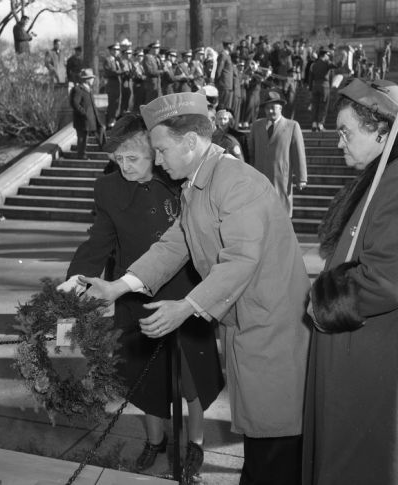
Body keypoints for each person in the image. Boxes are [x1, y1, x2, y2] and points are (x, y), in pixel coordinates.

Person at [78, 92, 311, 485]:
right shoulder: (199, 181)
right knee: (260, 438)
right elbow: (177, 242)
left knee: (276, 442)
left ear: (190, 142)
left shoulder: (235, 183)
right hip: (248, 325)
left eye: (162, 149)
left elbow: (240, 260)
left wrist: (185, 307)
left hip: (272, 332)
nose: (159, 159)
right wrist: (118, 287)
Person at [302, 78, 398, 485]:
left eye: (346, 132)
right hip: (373, 359)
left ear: (382, 131)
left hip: (382, 370)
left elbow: (385, 282)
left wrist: (320, 303)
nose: (339, 142)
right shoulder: (390, 174)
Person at [65, 114, 223, 479]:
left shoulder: (183, 177)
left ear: (155, 152)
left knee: (193, 375)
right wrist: (74, 282)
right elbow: (98, 242)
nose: (123, 167)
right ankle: (155, 440)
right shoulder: (109, 189)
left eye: (131, 158)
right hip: (135, 296)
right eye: (117, 159)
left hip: (187, 294)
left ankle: (195, 445)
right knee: (145, 376)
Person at [248, 89, 307, 217]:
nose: (270, 111)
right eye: (267, 108)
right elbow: (250, 152)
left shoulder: (292, 126)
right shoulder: (256, 126)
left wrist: (301, 178)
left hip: (281, 179)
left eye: (273, 108)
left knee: (281, 215)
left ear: (280, 108)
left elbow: (298, 152)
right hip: (260, 178)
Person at [70, 68, 103, 160]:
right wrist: (84, 113)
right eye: (92, 78)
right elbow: (75, 104)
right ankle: (81, 155)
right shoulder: (78, 89)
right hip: (81, 119)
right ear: (87, 79)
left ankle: (103, 148)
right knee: (82, 138)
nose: (93, 80)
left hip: (91, 118)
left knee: (98, 131)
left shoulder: (88, 89)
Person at [307, 49, 335, 132]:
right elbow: (336, 66)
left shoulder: (313, 65)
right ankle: (320, 124)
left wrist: (310, 89)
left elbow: (310, 78)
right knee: (323, 106)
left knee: (315, 106)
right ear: (324, 55)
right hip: (324, 87)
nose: (328, 57)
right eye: (327, 55)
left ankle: (314, 124)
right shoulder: (327, 63)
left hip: (315, 86)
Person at [103, 43, 123, 128]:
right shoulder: (108, 60)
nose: (116, 52)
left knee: (118, 103)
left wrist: (120, 61)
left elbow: (124, 68)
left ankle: (114, 120)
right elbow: (109, 72)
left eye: (118, 50)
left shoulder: (117, 60)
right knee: (112, 104)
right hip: (112, 85)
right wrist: (120, 72)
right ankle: (110, 122)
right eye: (115, 50)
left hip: (118, 84)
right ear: (111, 51)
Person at [214, 38, 234, 109]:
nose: (233, 47)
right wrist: (217, 83)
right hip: (224, 85)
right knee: (222, 106)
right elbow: (219, 70)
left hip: (228, 85)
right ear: (228, 45)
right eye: (232, 45)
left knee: (226, 106)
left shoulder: (228, 56)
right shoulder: (223, 55)